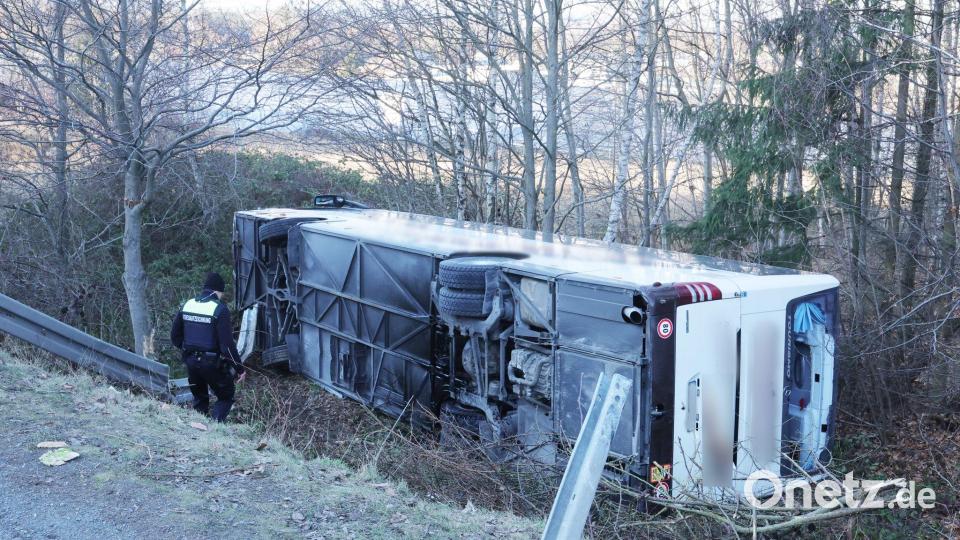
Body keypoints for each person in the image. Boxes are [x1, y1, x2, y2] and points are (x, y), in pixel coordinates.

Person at [170, 272, 246, 422]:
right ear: (218, 291)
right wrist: (239, 368)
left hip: (191, 361)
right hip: (211, 363)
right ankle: (215, 428)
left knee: (200, 397)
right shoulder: (219, 309)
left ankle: (199, 430)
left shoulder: (188, 304)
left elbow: (174, 336)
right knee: (226, 395)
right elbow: (227, 346)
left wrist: (187, 349)